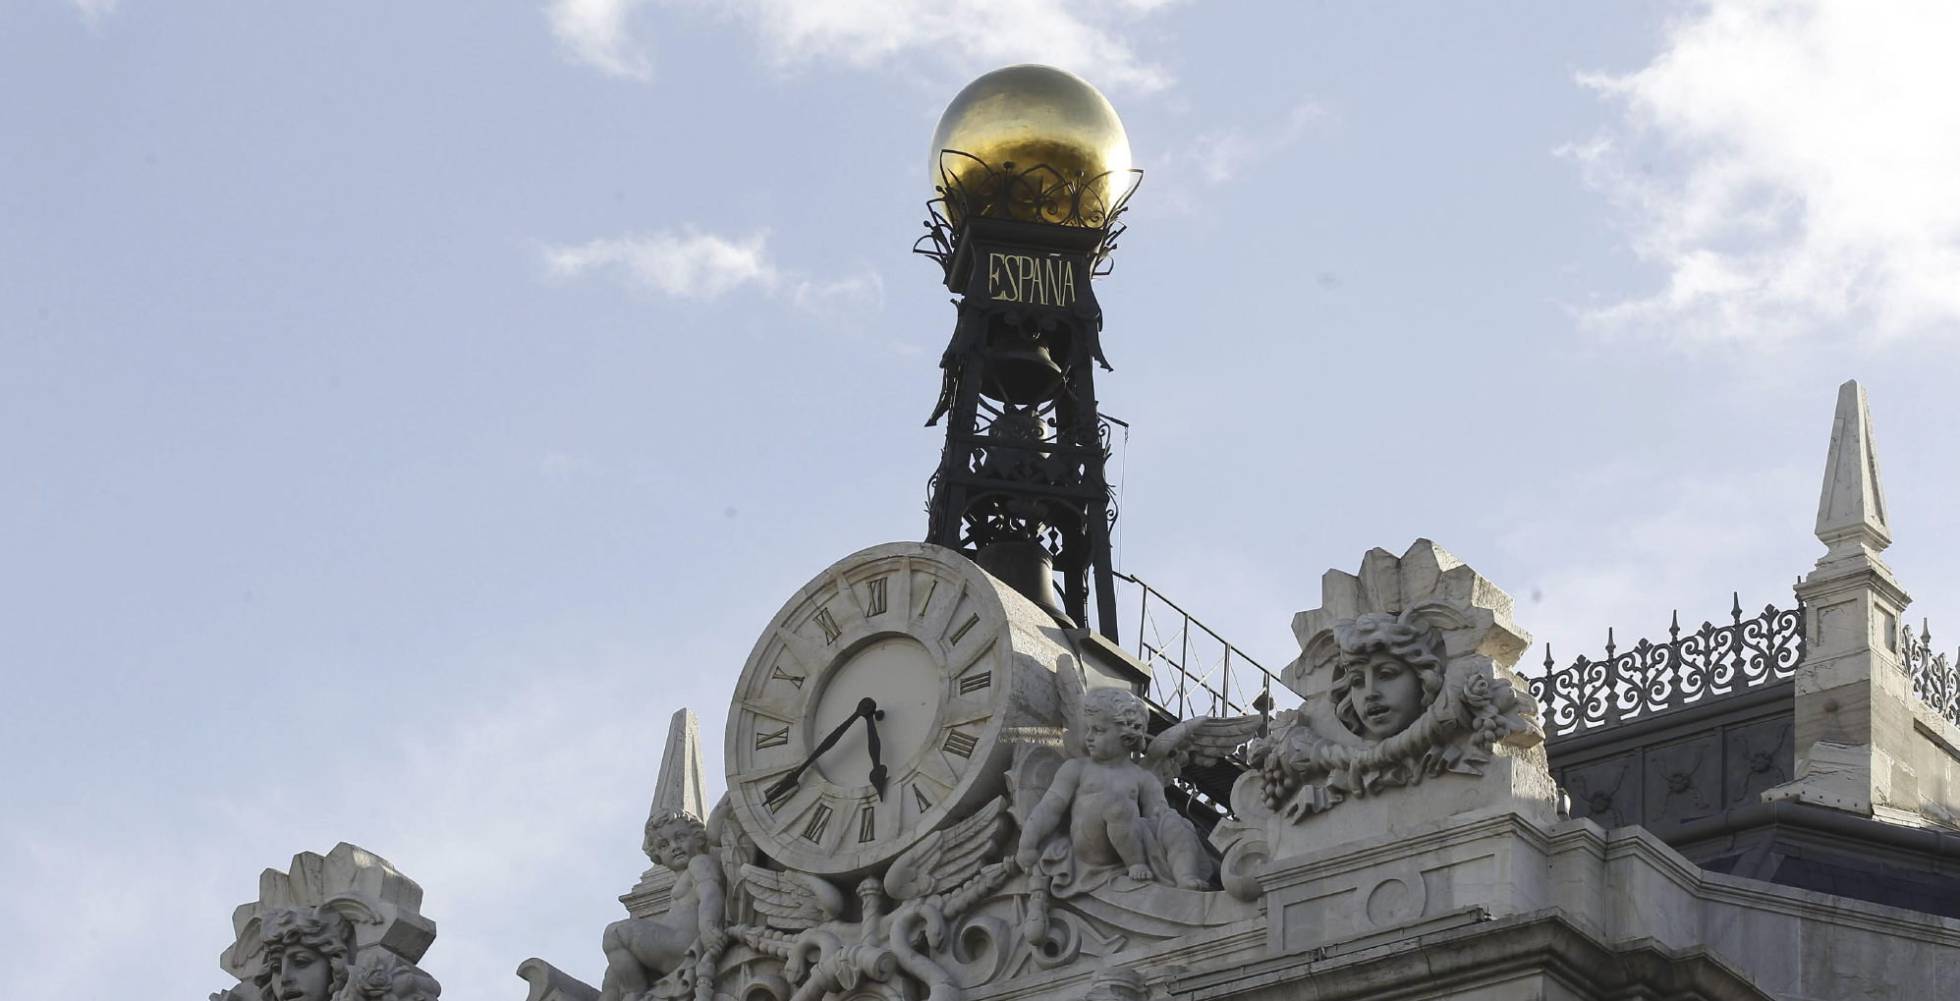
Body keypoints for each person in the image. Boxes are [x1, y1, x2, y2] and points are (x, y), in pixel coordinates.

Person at [598, 810, 728, 1001]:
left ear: (698, 837)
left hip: (682, 946)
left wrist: (708, 925)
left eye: (680, 837)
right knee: (614, 971)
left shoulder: (700, 862)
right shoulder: (683, 878)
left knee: (615, 934)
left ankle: (635, 994)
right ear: (657, 854)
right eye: (664, 845)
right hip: (672, 945)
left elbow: (710, 891)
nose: (674, 847)